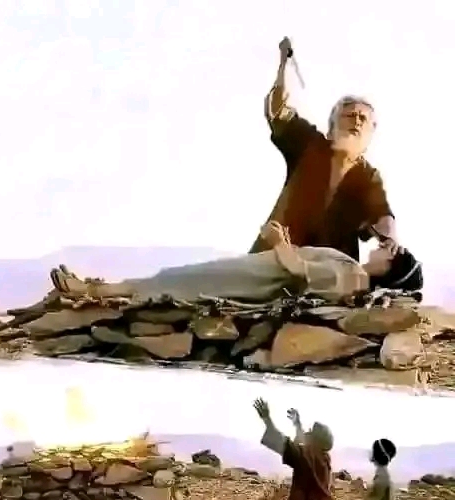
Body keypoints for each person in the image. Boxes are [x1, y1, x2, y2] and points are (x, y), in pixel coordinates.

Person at [250, 37, 397, 261]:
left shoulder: (368, 177)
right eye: (350, 115)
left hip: (328, 271)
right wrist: (284, 65)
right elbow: (277, 110)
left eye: (363, 119)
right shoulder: (309, 144)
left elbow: (382, 215)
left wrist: (391, 239)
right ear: (331, 127)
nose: (357, 122)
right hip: (274, 257)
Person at [49, 222, 422, 305]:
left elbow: (299, 271)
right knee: (172, 278)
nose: (379, 248)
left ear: (389, 267)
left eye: (387, 250)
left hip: (254, 280)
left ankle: (89, 291)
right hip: (255, 272)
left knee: (171, 281)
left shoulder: (353, 277)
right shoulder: (352, 269)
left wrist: (278, 242)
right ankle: (95, 288)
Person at [254, 397, 341, 500]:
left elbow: (283, 443)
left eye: (311, 431)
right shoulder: (323, 458)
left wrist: (267, 419)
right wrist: (297, 424)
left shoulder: (306, 456)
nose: (307, 432)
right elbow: (303, 445)